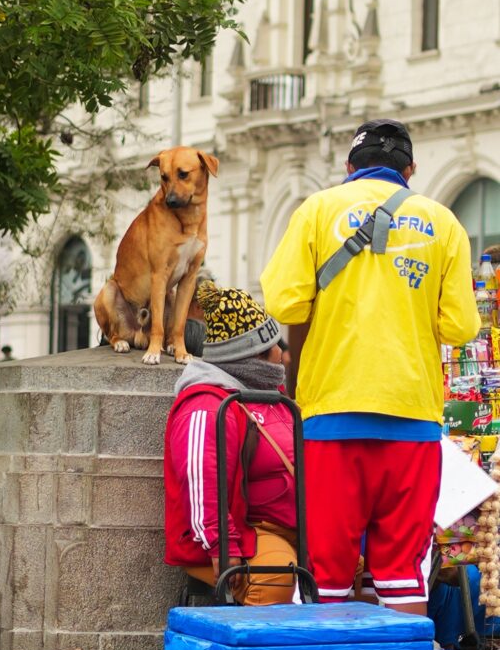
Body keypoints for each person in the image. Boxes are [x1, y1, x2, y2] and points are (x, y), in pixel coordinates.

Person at [261, 118, 480, 615]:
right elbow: (460, 328)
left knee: (329, 573)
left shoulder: (317, 210)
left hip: (331, 417)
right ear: (411, 169)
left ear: (349, 167)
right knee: (404, 572)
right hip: (413, 420)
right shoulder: (444, 223)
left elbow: (285, 304)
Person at [164, 282, 297, 605]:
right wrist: (224, 548)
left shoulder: (269, 397)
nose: (284, 356)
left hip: (284, 527)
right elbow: (202, 479)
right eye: (275, 347)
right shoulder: (207, 403)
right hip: (243, 534)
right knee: (275, 574)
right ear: (254, 357)